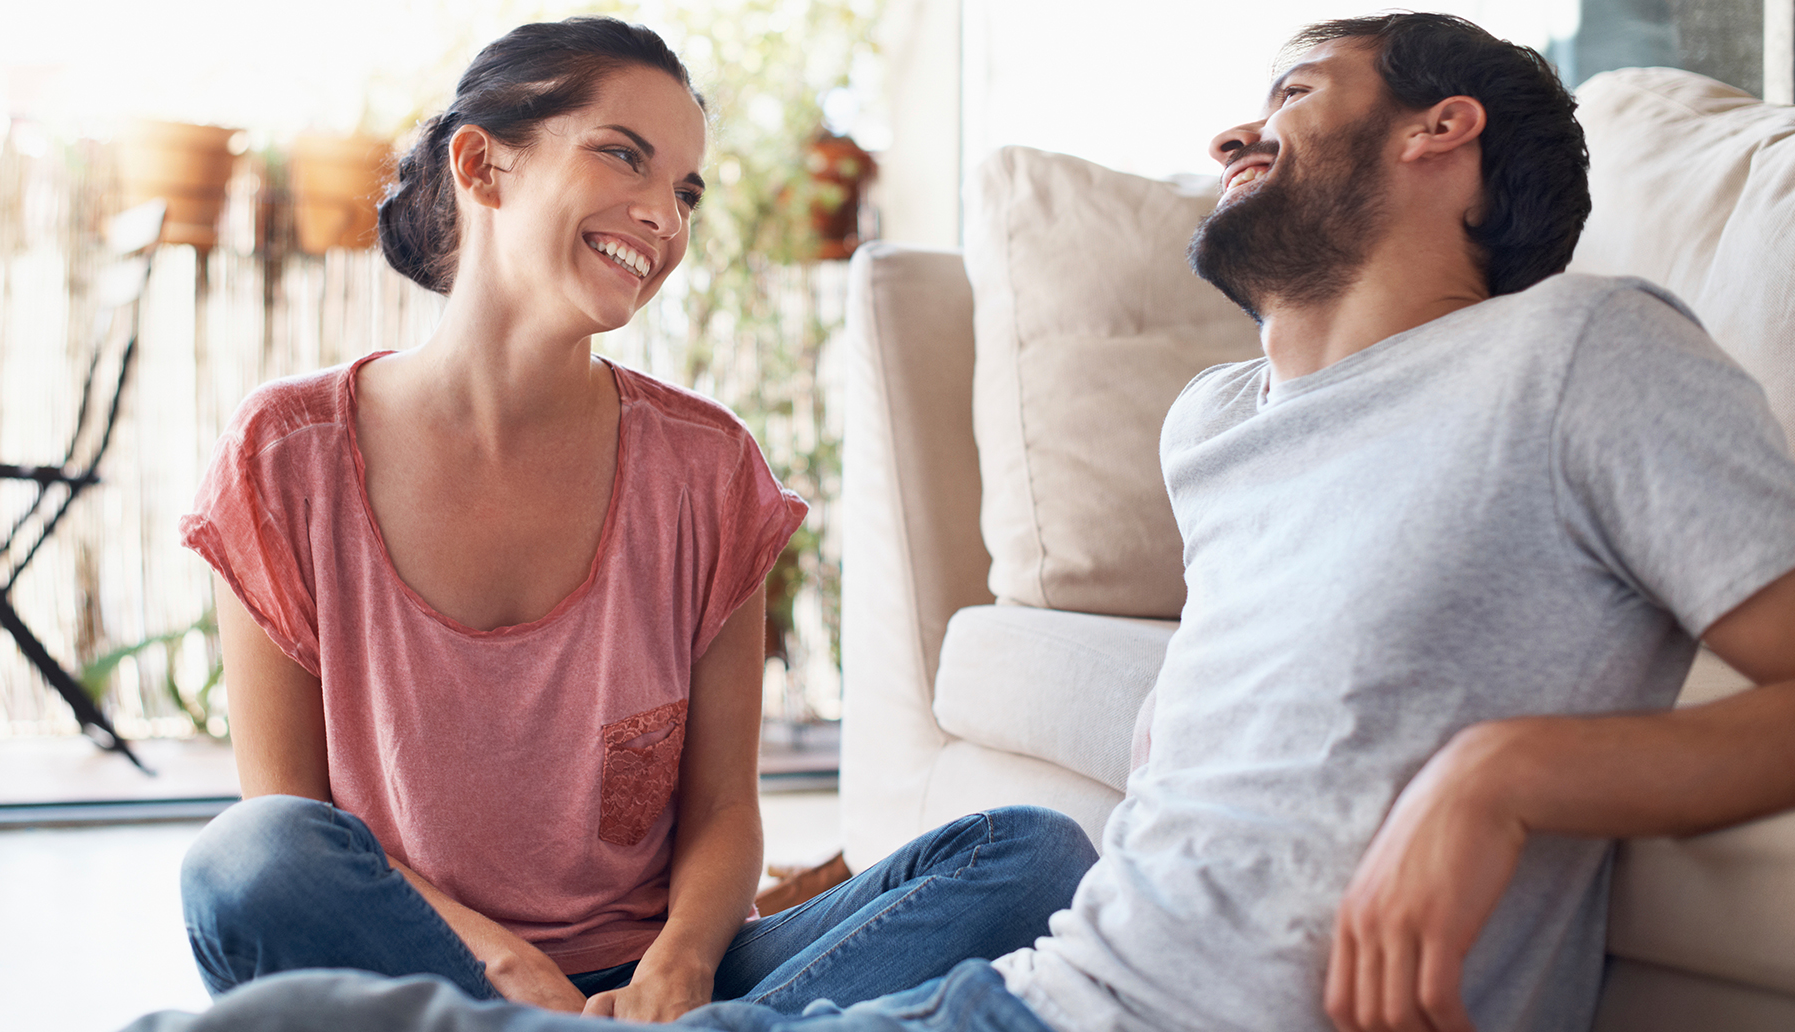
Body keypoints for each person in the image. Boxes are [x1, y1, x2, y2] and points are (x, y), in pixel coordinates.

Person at [129, 12, 1795, 1032]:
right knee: (262, 873)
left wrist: (1499, 774)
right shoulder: (1224, 428)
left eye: (1296, 87)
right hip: (1045, 1000)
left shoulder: (1581, 345)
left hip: (993, 1002)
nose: (1233, 129)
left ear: (1446, 133)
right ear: (483, 174)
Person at [173, 14, 1090, 1026]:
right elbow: (293, 821)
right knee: (247, 861)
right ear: (481, 166)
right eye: (624, 158)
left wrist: (681, 970)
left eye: (686, 192)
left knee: (1034, 856)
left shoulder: (707, 470)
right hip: (432, 969)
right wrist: (513, 977)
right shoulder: (286, 455)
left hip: (663, 986)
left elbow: (721, 815)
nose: (662, 217)